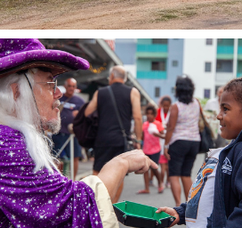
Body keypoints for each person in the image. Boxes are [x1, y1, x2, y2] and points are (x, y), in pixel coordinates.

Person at [0, 39, 156, 228]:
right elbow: (71, 212)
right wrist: (122, 162)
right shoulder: (0, 141)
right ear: (16, 92)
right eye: (50, 83)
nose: (58, 92)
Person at [157, 76, 242, 228]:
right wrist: (181, 212)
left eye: (225, 109)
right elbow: (208, 196)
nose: (219, 115)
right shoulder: (229, 149)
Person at [84, 65, 143, 204]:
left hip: (102, 139)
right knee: (119, 173)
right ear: (125, 78)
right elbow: (138, 117)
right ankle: (111, 208)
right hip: (120, 140)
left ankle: (95, 206)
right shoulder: (133, 92)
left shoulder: (100, 92)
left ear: (111, 76)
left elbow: (87, 113)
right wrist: (139, 140)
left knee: (98, 172)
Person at [163, 75, 201, 206]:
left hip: (179, 142)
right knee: (186, 175)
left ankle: (179, 205)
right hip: (195, 142)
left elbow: (170, 128)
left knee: (174, 175)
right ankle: (190, 204)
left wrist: (166, 146)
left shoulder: (176, 106)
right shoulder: (197, 103)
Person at [52, 78, 84, 180]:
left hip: (73, 134)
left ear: (75, 87)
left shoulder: (80, 102)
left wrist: (79, 116)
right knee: (56, 157)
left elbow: (85, 118)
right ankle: (57, 179)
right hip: (59, 133)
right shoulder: (59, 98)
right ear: (65, 86)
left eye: (73, 86)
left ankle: (73, 180)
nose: (71, 88)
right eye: (69, 86)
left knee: (75, 157)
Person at [138, 105, 165, 194]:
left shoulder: (158, 124)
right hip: (146, 149)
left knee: (154, 167)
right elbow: (142, 136)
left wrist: (158, 135)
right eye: (148, 114)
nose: (149, 115)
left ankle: (160, 183)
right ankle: (146, 188)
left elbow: (164, 136)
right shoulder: (144, 125)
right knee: (145, 168)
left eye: (151, 114)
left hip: (156, 149)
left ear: (154, 115)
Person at [155, 95, 172, 188]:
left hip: (169, 139)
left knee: (169, 163)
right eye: (164, 105)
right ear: (161, 105)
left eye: (167, 106)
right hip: (159, 140)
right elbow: (155, 124)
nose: (165, 107)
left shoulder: (172, 112)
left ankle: (168, 181)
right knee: (162, 163)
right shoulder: (158, 112)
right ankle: (161, 182)